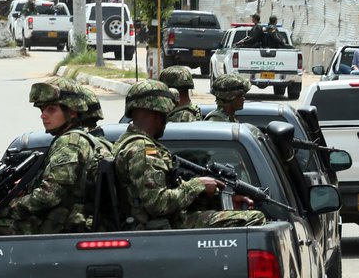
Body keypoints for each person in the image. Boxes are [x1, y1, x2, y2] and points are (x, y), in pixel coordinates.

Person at [0, 77, 111, 236]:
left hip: (62, 227)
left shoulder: (70, 143)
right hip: (70, 222)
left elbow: (48, 196)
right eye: (42, 110)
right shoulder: (85, 140)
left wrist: (2, 209)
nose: (43, 116)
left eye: (51, 109)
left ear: (72, 111)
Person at [113, 79, 264, 230]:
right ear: (156, 112)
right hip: (162, 225)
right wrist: (197, 185)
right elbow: (158, 204)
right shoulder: (142, 149)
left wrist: (222, 200)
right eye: (165, 114)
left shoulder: (124, 141)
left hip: (162, 221)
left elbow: (169, 192)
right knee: (255, 217)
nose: (166, 120)